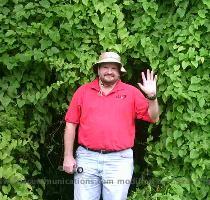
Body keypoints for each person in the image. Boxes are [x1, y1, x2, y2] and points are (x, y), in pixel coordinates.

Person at [63, 52, 160, 200]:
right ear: (98, 69)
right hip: (87, 158)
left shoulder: (131, 92)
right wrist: (68, 156)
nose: (109, 71)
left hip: (119, 161)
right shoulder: (83, 92)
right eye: (105, 67)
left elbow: (154, 117)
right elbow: (70, 125)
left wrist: (152, 97)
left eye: (114, 68)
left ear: (119, 71)